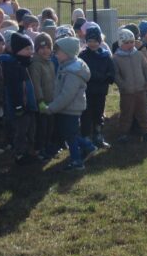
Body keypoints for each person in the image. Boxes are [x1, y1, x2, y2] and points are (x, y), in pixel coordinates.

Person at [46, 36, 96, 170]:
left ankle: (77, 161)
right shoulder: (66, 66)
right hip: (66, 108)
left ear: (67, 53)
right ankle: (88, 147)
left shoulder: (72, 72)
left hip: (70, 108)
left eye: (58, 52)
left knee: (70, 136)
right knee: (70, 134)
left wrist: (52, 108)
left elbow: (67, 95)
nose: (56, 54)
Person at [0, 32, 38, 165]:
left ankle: (28, 152)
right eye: (27, 49)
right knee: (21, 131)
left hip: (27, 104)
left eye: (31, 48)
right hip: (20, 106)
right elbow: (15, 89)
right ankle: (20, 155)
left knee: (30, 129)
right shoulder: (14, 67)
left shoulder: (23, 64)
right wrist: (18, 106)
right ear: (17, 50)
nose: (30, 52)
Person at [113, 28, 147, 143]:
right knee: (126, 113)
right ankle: (123, 133)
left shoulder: (139, 55)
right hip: (127, 92)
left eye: (132, 42)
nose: (130, 45)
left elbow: (146, 69)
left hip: (141, 90)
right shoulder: (116, 58)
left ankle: (146, 131)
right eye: (126, 43)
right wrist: (123, 85)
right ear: (120, 43)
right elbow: (116, 75)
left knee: (143, 113)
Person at [79, 23, 115, 148]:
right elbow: (85, 72)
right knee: (86, 114)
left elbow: (111, 70)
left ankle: (98, 134)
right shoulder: (83, 56)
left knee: (98, 113)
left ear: (100, 41)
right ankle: (86, 137)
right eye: (90, 41)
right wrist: (100, 77)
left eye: (95, 41)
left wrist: (109, 77)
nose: (92, 44)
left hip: (101, 91)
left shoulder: (105, 55)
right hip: (88, 91)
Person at [29, 33, 57, 160]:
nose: (45, 51)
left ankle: (47, 146)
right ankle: (39, 149)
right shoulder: (35, 64)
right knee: (42, 127)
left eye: (48, 48)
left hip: (51, 101)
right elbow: (36, 84)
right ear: (36, 49)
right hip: (42, 102)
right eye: (41, 48)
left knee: (50, 126)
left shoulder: (50, 62)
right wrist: (40, 100)